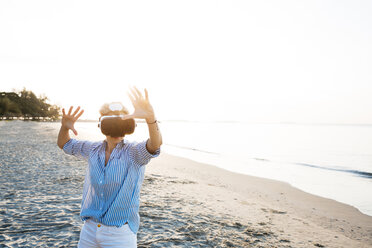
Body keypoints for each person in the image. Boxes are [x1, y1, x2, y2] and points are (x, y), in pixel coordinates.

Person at [57, 86, 162, 248]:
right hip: (90, 230)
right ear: (101, 124)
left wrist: (151, 118)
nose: (116, 128)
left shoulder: (134, 153)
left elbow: (155, 145)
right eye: (110, 122)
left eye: (121, 122)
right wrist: (64, 127)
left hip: (120, 233)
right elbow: (65, 144)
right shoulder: (92, 150)